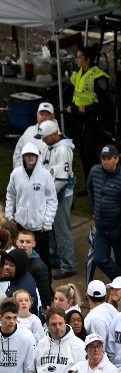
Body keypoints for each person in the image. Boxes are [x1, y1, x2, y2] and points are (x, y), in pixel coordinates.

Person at [87, 145, 121, 280]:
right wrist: (94, 209)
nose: (105, 161)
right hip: (101, 228)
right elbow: (90, 190)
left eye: (108, 158)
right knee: (99, 258)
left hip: (118, 229)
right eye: (103, 158)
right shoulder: (95, 171)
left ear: (116, 159)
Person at [6, 143, 58, 272]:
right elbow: (10, 194)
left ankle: (46, 286)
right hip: (21, 226)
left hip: (40, 228)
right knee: (21, 259)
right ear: (23, 157)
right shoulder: (16, 174)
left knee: (43, 260)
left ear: (37, 156)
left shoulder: (45, 175)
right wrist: (9, 214)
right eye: (27, 155)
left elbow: (52, 200)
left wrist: (47, 222)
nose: (30, 157)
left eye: (33, 155)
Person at [67, 46, 111, 182]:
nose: (77, 59)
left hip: (92, 121)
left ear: (87, 59)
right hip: (80, 119)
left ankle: (98, 181)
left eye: (79, 57)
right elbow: (75, 92)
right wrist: (71, 105)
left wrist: (88, 109)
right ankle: (89, 183)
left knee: (90, 154)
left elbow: (105, 102)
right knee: (82, 153)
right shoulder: (79, 73)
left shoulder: (98, 77)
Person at [41, 119, 77, 279]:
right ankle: (55, 258)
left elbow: (62, 179)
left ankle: (68, 265)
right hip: (53, 194)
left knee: (62, 231)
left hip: (59, 195)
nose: (43, 140)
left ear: (55, 134)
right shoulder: (52, 146)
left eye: (46, 137)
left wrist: (48, 196)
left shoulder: (63, 149)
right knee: (53, 229)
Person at [14, 231, 52, 311]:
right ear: (17, 242)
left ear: (33, 244)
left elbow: (44, 293)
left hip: (30, 308)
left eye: (28, 242)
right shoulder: (13, 260)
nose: (24, 245)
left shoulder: (39, 266)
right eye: (21, 241)